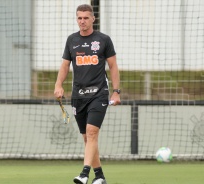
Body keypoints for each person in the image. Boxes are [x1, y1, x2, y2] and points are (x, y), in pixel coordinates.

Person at [54, 4, 121, 184]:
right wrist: (58, 85)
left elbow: (113, 66)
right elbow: (65, 65)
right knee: (87, 138)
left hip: (99, 93)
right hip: (78, 95)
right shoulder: (71, 40)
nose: (82, 21)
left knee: (92, 133)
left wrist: (116, 92)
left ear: (93, 19)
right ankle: (99, 176)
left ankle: (84, 174)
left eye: (85, 18)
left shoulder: (103, 40)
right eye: (79, 18)